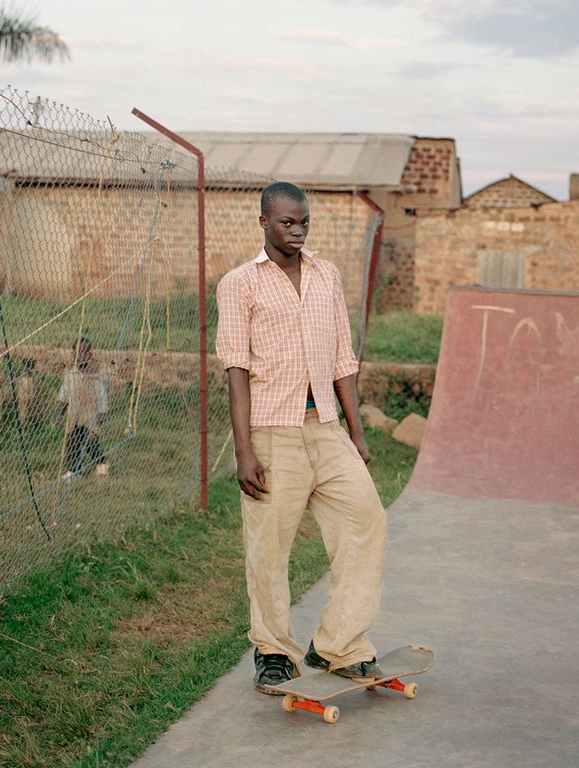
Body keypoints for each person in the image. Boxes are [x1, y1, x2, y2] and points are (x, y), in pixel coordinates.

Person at [216, 182, 387, 692]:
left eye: (304, 222)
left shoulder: (325, 275)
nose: (297, 231)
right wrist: (244, 450)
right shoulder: (240, 284)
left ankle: (339, 645)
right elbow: (236, 369)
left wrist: (356, 434)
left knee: (366, 521)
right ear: (264, 222)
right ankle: (273, 652)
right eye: (287, 222)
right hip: (272, 432)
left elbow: (342, 360)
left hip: (325, 427)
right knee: (269, 549)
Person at [56, 336, 108, 480]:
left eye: (85, 353)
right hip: (74, 417)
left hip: (90, 417)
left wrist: (101, 416)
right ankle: (73, 470)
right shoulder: (70, 375)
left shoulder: (96, 377)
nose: (81, 356)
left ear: (90, 355)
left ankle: (102, 462)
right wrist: (60, 414)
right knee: (72, 443)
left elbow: (102, 398)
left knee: (91, 443)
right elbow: (64, 397)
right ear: (73, 355)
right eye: (78, 353)